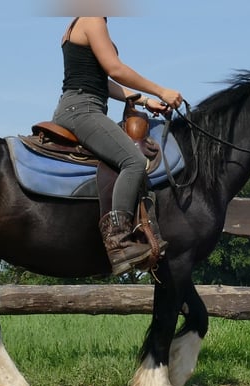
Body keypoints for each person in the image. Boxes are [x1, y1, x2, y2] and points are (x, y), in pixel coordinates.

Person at [51, 16, 183, 276]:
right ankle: (119, 241)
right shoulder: (92, 19)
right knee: (133, 161)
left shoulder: (77, 22)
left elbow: (101, 81)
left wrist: (144, 101)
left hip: (77, 105)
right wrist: (161, 91)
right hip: (84, 110)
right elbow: (116, 69)